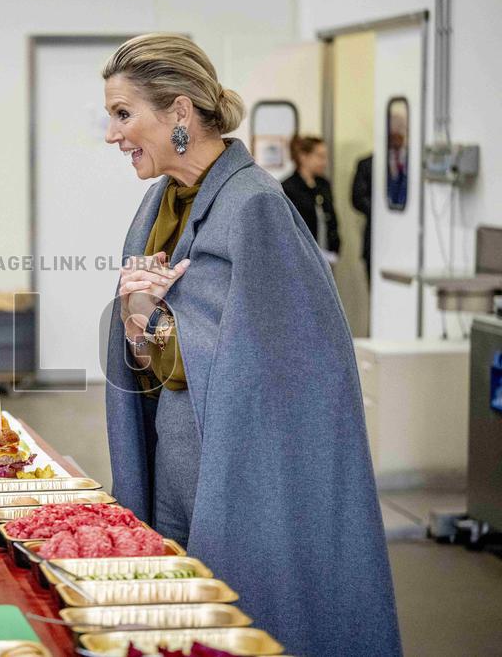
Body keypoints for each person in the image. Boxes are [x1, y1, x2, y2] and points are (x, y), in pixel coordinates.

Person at [102, 34, 401, 656]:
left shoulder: (256, 206)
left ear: (180, 112)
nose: (112, 133)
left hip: (241, 472)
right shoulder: (160, 203)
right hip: (176, 462)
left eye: (124, 113)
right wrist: (133, 323)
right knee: (187, 622)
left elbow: (291, 368)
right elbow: (154, 346)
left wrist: (158, 327)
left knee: (241, 623)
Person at [281, 135, 340, 264]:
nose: (324, 162)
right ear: (303, 157)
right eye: (320, 156)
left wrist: (335, 245)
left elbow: (331, 217)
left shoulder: (323, 184)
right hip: (301, 257)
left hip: (326, 255)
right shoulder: (288, 187)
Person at [352, 153, 373, 281]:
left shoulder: (414, 160)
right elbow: (358, 199)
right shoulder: (367, 164)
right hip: (374, 241)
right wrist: (380, 215)